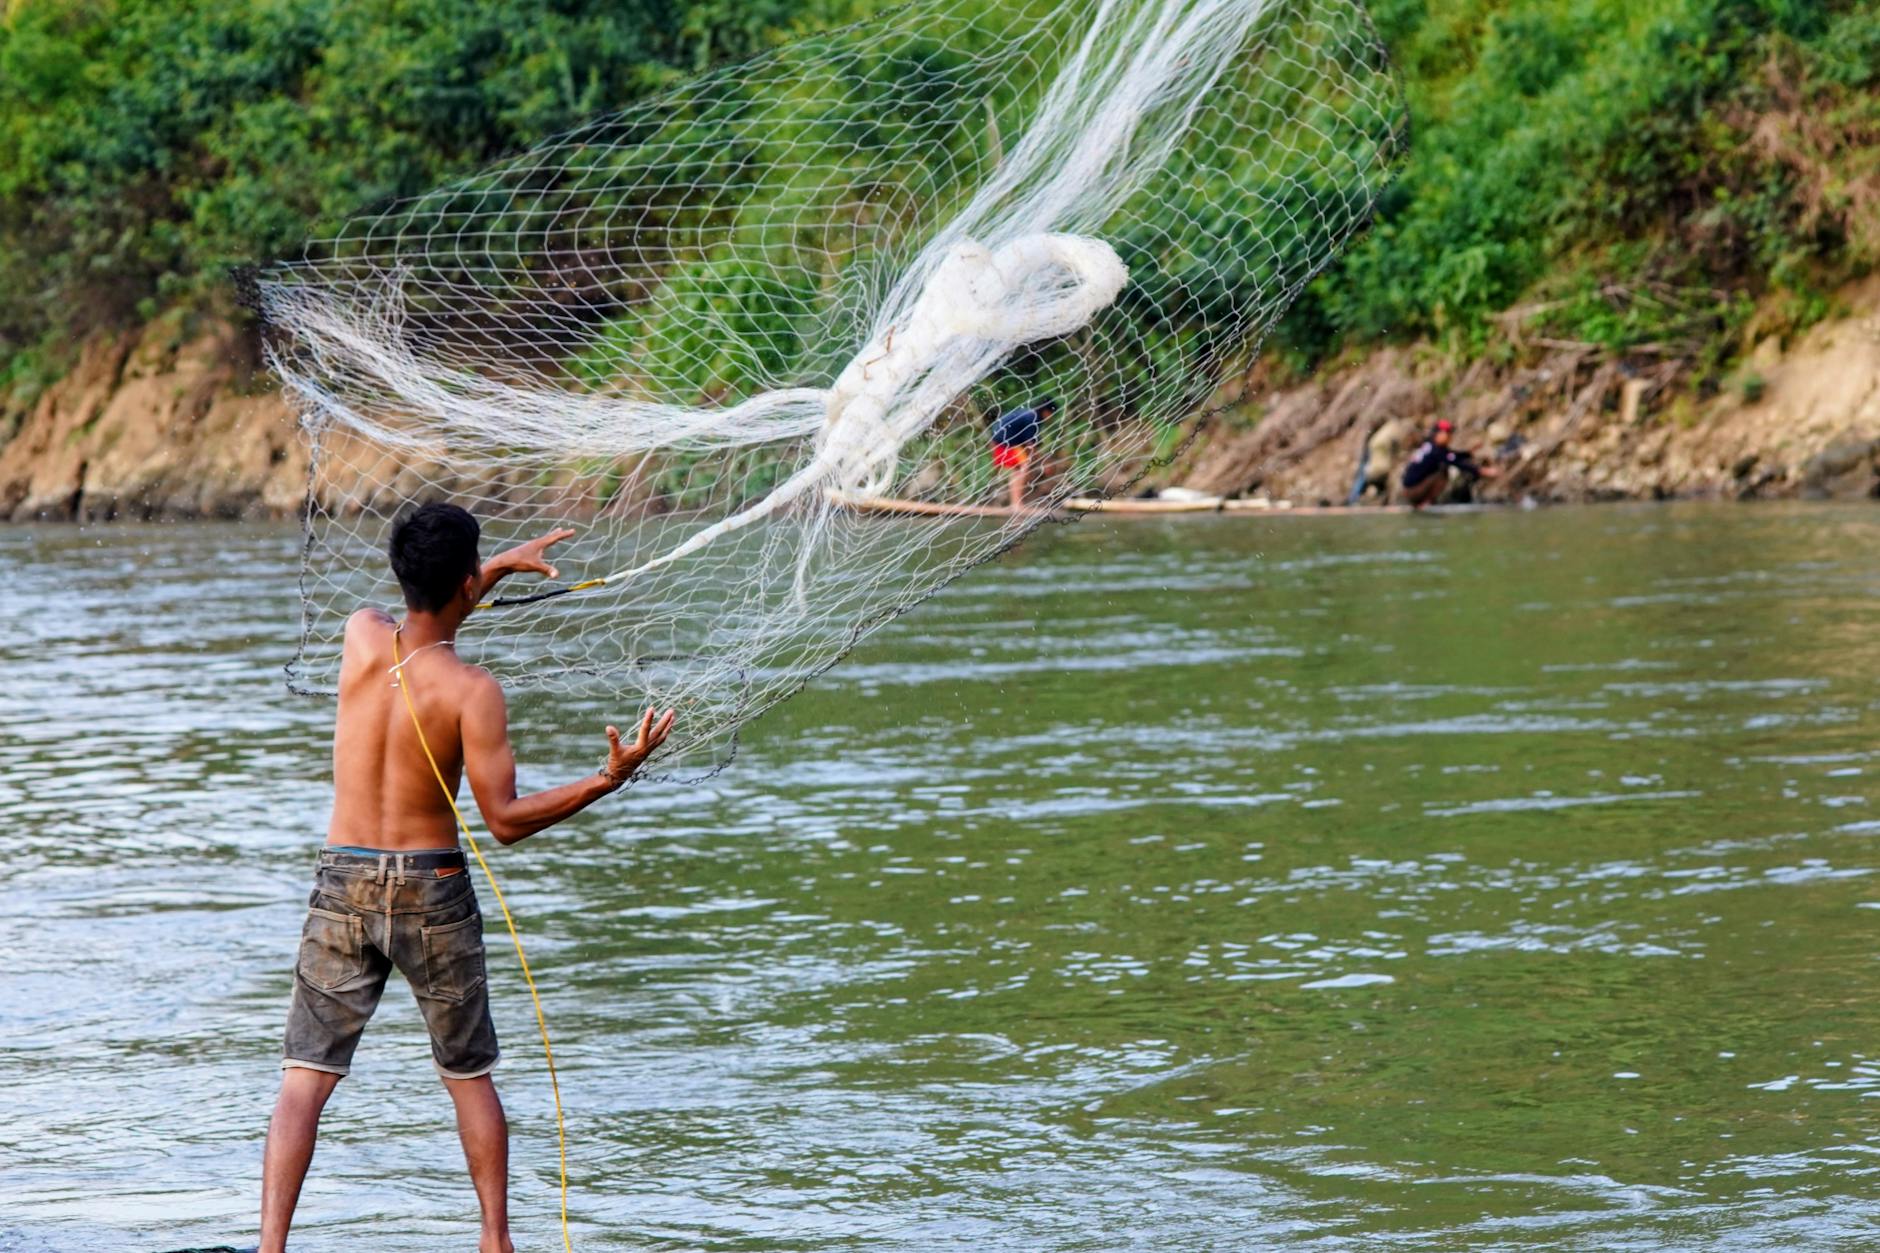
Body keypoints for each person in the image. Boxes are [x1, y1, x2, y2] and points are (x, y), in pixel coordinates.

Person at [259, 502, 674, 1253]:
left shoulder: (358, 635)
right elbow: (507, 821)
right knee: (469, 1072)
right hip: (433, 888)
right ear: (463, 579)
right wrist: (607, 778)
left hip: (343, 879)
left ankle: (271, 1247)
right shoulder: (472, 690)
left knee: (305, 1077)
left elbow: (423, 631)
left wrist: (492, 568)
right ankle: (494, 1241)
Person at [1400, 418, 1497, 509]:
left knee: (1442, 467)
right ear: (1438, 434)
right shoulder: (1436, 451)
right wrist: (1482, 471)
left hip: (1409, 490)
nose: (1450, 436)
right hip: (1413, 491)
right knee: (1443, 471)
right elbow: (1457, 463)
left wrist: (1469, 453)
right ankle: (1424, 503)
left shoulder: (1430, 446)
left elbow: (1452, 456)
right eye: (1447, 433)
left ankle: (1419, 503)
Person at [989, 396, 1057, 508]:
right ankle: (1016, 504)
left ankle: (1016, 502)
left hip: (1005, 441)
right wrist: (1044, 462)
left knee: (1020, 469)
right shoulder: (1032, 417)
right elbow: (1031, 445)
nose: (1051, 418)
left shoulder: (1032, 415)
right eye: (1051, 414)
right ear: (1046, 411)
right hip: (1005, 442)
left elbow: (1032, 443)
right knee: (1022, 468)